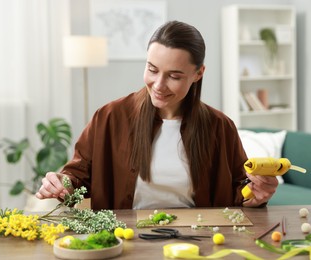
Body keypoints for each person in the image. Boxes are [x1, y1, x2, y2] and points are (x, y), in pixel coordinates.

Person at [36, 21, 278, 210]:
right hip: (126, 239)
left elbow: (240, 190)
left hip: (199, 240)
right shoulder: (110, 117)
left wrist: (256, 195)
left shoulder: (220, 127)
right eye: (152, 69)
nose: (159, 85)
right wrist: (61, 183)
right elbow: (77, 177)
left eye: (174, 76)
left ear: (198, 73)